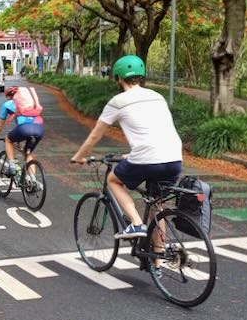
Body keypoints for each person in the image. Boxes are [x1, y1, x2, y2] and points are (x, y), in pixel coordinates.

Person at [70, 55, 182, 239]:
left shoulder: (118, 101)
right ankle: (158, 260)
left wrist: (79, 156)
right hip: (173, 158)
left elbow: (95, 135)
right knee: (157, 205)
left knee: (113, 180)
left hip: (147, 158)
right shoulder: (157, 97)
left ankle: (137, 224)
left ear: (119, 78)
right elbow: (154, 130)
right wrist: (132, 154)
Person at [0, 86, 45, 182]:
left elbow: (0, 124)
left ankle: (12, 167)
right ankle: (33, 181)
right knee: (27, 153)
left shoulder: (7, 104)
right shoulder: (30, 105)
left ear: (9, 96)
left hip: (24, 129)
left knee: (8, 140)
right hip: (39, 129)